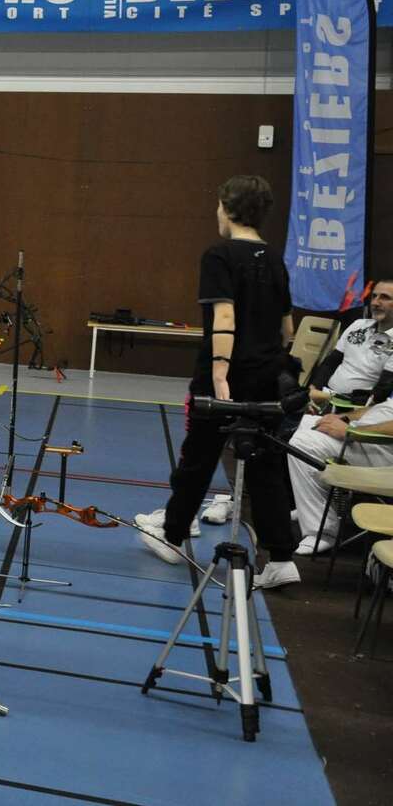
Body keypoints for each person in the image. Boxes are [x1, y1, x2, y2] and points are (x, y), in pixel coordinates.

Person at [137, 175, 298, 588]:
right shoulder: (274, 258)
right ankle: (281, 559)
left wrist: (220, 373)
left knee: (199, 457)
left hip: (225, 379)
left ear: (227, 209)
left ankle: (173, 536)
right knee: (266, 466)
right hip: (267, 376)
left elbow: (224, 315)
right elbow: (287, 327)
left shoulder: (219, 255)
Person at [288, 280, 393, 554]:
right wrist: (314, 393)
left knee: (302, 443)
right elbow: (332, 360)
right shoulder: (358, 326)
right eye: (375, 296)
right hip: (356, 418)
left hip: (373, 438)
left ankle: (321, 530)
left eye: (385, 297)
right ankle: (311, 504)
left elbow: (381, 392)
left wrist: (350, 428)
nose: (376, 302)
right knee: (289, 426)